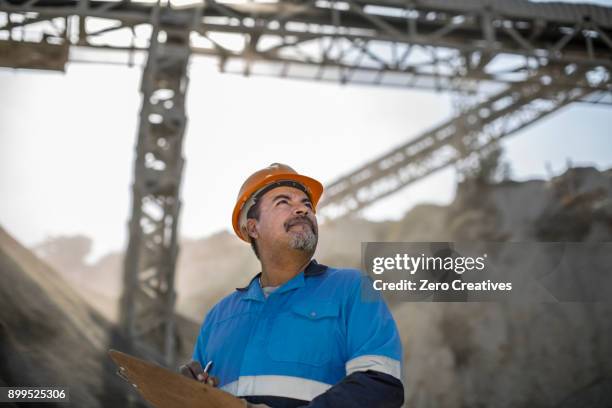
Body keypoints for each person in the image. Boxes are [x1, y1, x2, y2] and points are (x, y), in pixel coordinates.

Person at [181, 163, 404, 407]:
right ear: (252, 227)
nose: (302, 210)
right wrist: (190, 391)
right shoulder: (218, 317)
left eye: (307, 204)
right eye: (283, 202)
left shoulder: (351, 288)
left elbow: (380, 387)